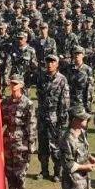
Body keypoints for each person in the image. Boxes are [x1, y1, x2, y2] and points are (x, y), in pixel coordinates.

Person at [1, 74, 35, 189]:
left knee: (20, 174)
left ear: (21, 85)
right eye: (11, 83)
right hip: (8, 141)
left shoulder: (28, 103)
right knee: (9, 172)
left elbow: (32, 125)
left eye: (15, 84)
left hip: (22, 143)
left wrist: (31, 145)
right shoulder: (5, 102)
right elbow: (0, 121)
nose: (13, 86)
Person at [35, 52, 70, 181]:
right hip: (43, 117)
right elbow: (39, 95)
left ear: (57, 64)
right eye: (48, 62)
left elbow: (65, 101)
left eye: (52, 62)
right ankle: (44, 171)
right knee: (43, 145)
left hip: (56, 119)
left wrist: (63, 119)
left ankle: (57, 173)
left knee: (56, 146)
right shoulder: (41, 77)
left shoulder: (62, 79)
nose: (49, 64)